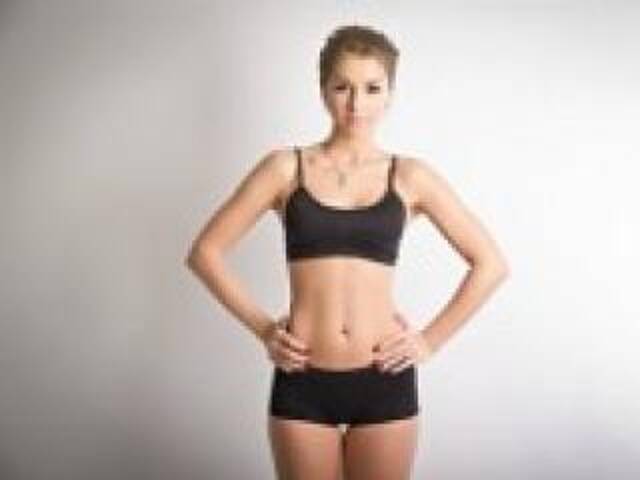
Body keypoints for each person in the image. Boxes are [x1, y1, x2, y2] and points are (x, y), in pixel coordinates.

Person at [186, 23, 509, 480]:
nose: (357, 104)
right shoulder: (285, 169)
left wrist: (429, 341)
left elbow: (490, 264)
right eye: (343, 87)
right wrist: (265, 331)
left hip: (384, 377)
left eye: (372, 88)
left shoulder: (410, 177)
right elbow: (206, 252)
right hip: (303, 379)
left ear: (390, 93)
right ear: (323, 89)